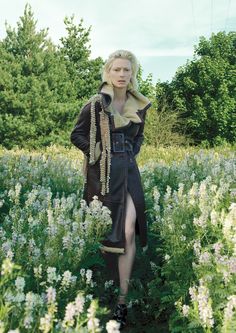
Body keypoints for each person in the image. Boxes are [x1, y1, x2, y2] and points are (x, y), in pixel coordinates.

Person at [70, 49, 151, 329]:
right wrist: (95, 153)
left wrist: (127, 152)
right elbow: (76, 134)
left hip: (128, 172)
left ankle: (122, 300)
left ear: (132, 74)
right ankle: (100, 290)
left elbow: (138, 138)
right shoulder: (95, 104)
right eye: (116, 69)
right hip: (102, 175)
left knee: (129, 230)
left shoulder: (139, 105)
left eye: (126, 70)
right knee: (105, 234)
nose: (121, 74)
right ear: (108, 72)